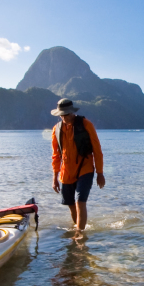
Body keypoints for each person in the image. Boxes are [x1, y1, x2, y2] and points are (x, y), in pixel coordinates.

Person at [51, 98, 105, 235]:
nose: (64, 117)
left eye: (67, 114)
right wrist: (54, 178)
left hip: (85, 168)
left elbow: (97, 150)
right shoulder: (56, 130)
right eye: (61, 115)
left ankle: (79, 235)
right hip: (66, 172)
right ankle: (79, 228)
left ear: (72, 112)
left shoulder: (86, 125)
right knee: (71, 205)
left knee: (80, 202)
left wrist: (100, 173)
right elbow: (56, 155)